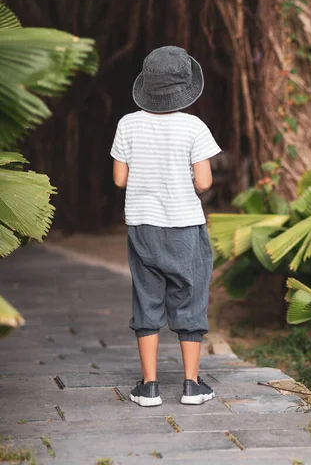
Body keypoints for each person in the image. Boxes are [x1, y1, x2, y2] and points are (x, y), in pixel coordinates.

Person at [110, 46, 221, 407]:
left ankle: (149, 386)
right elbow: (203, 182)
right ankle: (191, 385)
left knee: (147, 298)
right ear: (185, 88)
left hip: (142, 226)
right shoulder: (194, 126)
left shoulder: (127, 124)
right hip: (185, 226)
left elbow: (119, 179)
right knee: (190, 297)